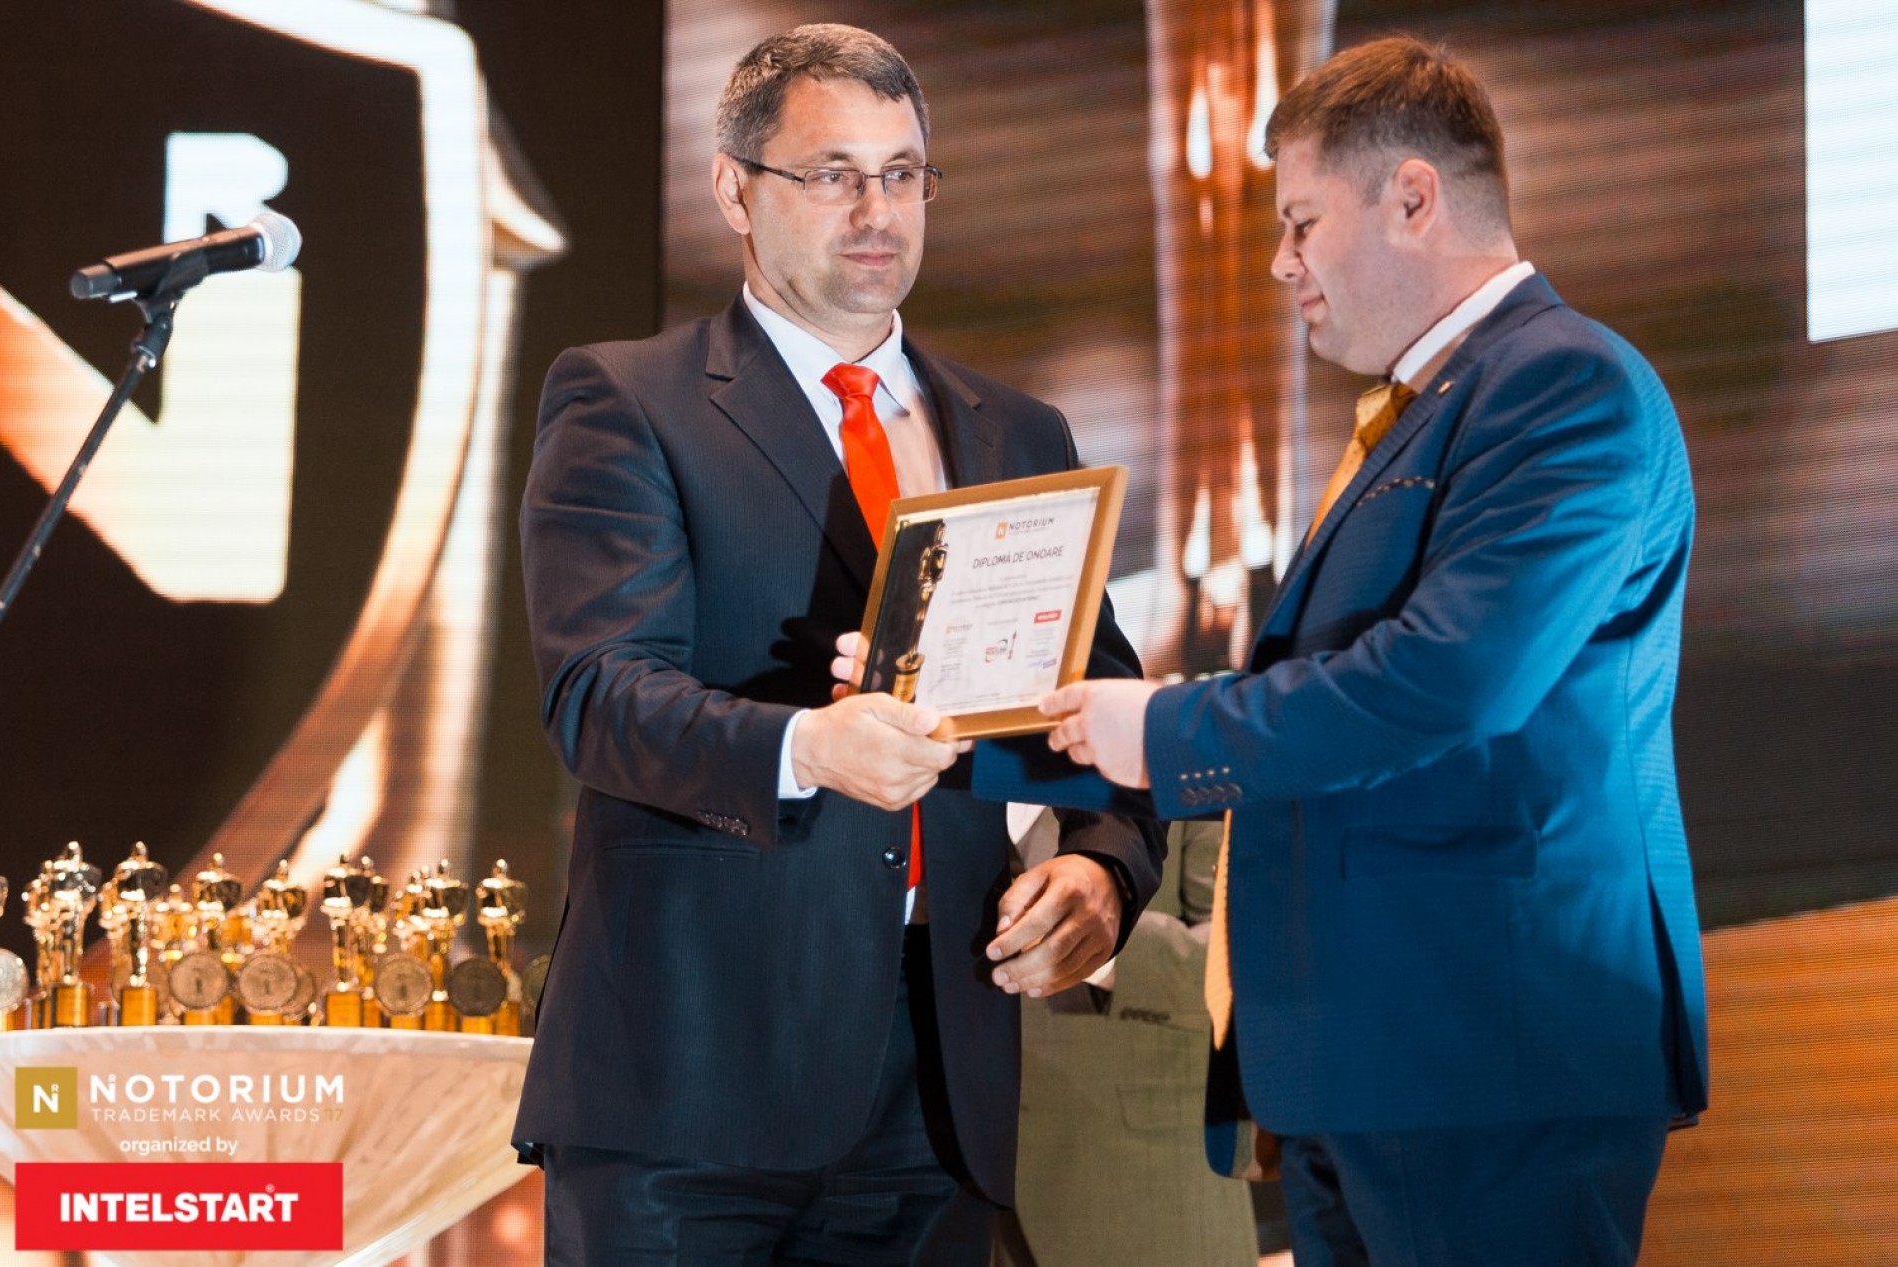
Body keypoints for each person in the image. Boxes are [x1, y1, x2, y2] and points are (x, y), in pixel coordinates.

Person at [1036, 35, 1708, 1266]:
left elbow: (1448, 679)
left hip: (1484, 1056)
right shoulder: (1436, 404)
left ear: (1411, 197)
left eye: (1300, 221)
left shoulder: (1564, 383)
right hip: (1376, 1060)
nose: (1279, 261)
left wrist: (1167, 728)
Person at [512, 24, 1163, 1266]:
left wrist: (1104, 869)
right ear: (733, 190)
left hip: (939, 1079)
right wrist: (807, 747)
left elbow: (1101, 705)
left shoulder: (1018, 431)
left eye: (903, 174)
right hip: (687, 1083)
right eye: (831, 174)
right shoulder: (628, 399)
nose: (877, 211)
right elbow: (599, 694)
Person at [997, 813, 1259, 1267]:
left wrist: (1093, 944)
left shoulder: (1189, 776)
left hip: (1146, 1188)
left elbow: (1249, 959)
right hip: (957, 1177)